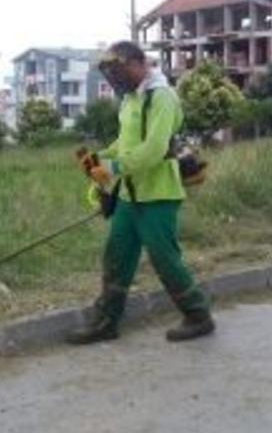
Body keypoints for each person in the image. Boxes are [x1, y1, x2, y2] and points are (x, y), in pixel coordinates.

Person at [65, 41, 215, 344]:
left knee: (164, 258)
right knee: (116, 257)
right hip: (129, 195)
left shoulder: (162, 97)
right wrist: (99, 159)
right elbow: (125, 144)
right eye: (111, 74)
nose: (115, 79)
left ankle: (198, 316)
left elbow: (155, 149)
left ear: (139, 63)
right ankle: (106, 321)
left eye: (119, 72)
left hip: (159, 195)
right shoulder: (130, 100)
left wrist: (113, 168)